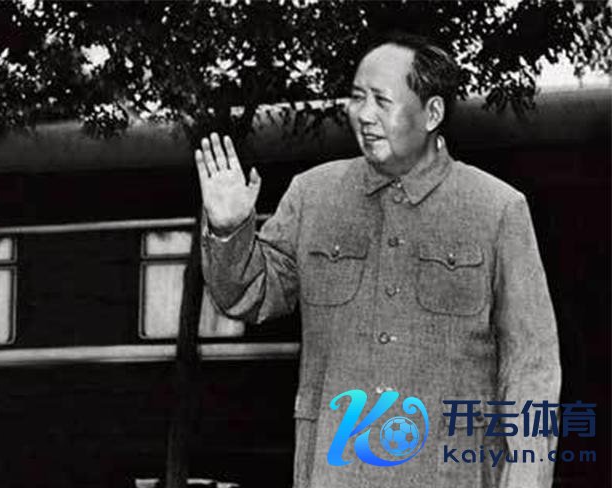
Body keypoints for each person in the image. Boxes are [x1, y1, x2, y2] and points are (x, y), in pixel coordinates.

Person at [195, 31, 561, 488]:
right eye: (357, 97)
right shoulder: (313, 195)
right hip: (335, 473)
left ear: (432, 113)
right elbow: (249, 294)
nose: (364, 115)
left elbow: (532, 370)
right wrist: (229, 230)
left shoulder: (497, 209)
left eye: (382, 101)